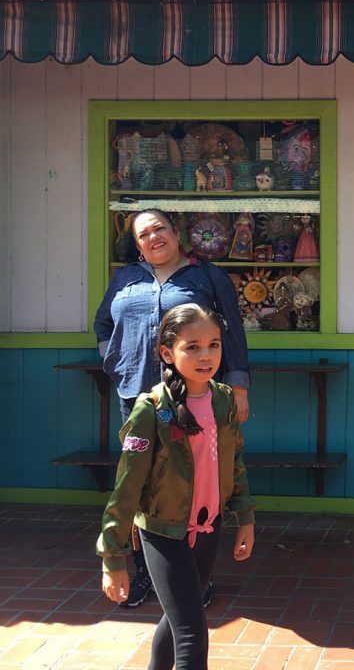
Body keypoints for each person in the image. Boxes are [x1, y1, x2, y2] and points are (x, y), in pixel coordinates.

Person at [95, 208, 251, 608]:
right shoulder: (124, 278)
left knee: (194, 480)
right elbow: (103, 325)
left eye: (159, 228)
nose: (153, 237)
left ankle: (197, 575)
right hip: (139, 399)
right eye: (143, 234)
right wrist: (117, 363)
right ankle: (148, 573)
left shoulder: (206, 275)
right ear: (138, 244)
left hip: (194, 397)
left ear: (176, 233)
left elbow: (230, 331)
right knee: (142, 485)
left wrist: (238, 386)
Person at [97, 303, 255, 670]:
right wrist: (114, 558)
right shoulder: (150, 409)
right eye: (193, 346)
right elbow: (125, 489)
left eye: (214, 345)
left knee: (177, 620)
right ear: (168, 353)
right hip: (164, 533)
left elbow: (236, 462)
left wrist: (243, 517)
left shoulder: (224, 398)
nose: (206, 356)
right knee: (191, 636)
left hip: (209, 528)